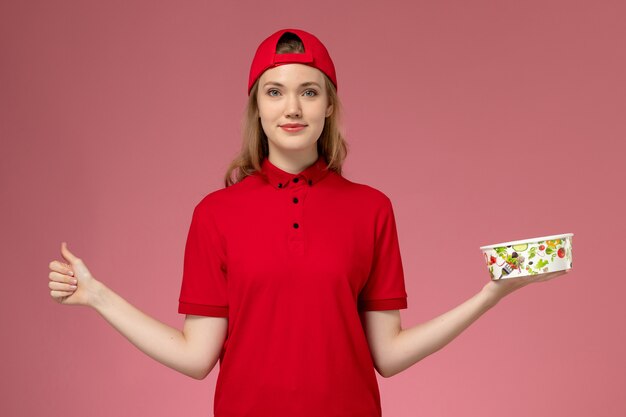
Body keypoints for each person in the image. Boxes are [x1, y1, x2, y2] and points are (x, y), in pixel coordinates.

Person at [48, 28, 568, 417]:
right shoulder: (215, 214)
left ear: (328, 107)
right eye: (274, 91)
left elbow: (387, 354)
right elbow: (195, 355)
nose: (291, 107)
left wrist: (490, 295)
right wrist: (97, 297)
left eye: (309, 91)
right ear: (256, 108)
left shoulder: (371, 208)